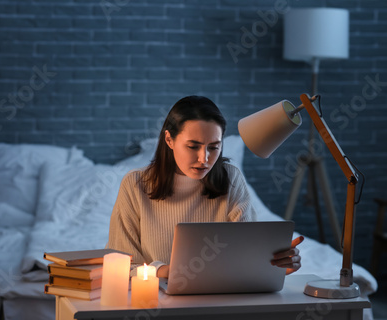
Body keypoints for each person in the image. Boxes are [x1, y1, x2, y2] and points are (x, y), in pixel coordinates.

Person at [106, 95, 303, 278]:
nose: (204, 159)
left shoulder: (231, 178)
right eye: (193, 146)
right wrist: (168, 271)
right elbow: (122, 265)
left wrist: (276, 265)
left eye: (213, 147)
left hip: (220, 300)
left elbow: (246, 258)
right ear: (169, 140)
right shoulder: (135, 185)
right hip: (155, 301)